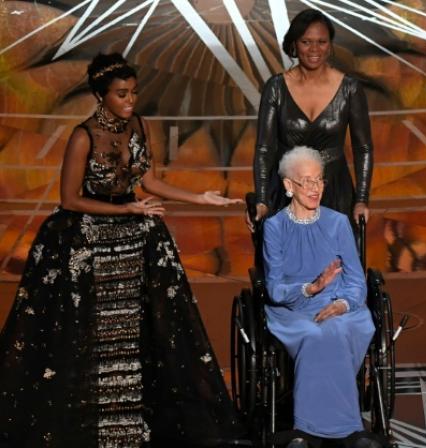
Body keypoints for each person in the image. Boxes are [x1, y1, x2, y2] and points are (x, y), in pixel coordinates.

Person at [0, 53, 245, 447]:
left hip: (135, 230)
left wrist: (201, 198)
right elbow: (69, 200)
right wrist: (128, 207)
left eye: (133, 92)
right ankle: (90, 424)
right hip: (89, 233)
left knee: (148, 329)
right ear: (101, 96)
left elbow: (149, 182)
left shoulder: (138, 125)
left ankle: (134, 420)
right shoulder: (82, 136)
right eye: (121, 94)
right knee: (83, 334)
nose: (130, 100)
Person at [261, 146, 380, 448]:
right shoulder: (274, 228)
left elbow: (355, 280)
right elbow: (274, 289)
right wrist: (310, 289)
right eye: (307, 182)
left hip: (341, 307)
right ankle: (315, 430)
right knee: (315, 334)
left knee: (337, 328)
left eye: (320, 181)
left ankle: (340, 429)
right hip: (293, 309)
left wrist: (342, 303)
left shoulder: (338, 222)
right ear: (288, 185)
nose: (315, 189)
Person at [250, 8, 373, 230]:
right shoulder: (275, 87)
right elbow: (264, 149)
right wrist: (261, 199)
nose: (314, 49)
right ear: (294, 45)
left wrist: (362, 200)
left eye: (321, 42)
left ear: (330, 44)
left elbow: (363, 147)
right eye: (306, 42)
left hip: (335, 190)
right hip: (287, 190)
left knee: (337, 262)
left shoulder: (350, 89)